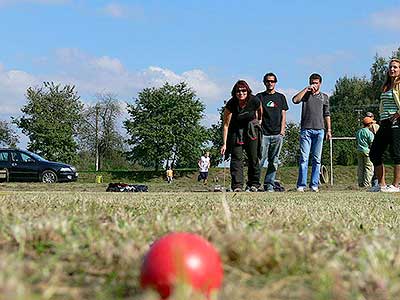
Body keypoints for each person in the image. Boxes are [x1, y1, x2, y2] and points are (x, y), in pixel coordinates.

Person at [221, 80, 262, 192]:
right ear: (234, 93)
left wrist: (258, 123)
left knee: (253, 157)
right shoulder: (231, 104)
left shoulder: (254, 100)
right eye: (238, 91)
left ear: (247, 91)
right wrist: (224, 144)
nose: (241, 93)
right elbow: (225, 125)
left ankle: (254, 184)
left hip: (251, 130)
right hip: (236, 131)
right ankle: (237, 185)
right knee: (236, 159)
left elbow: (260, 110)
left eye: (244, 90)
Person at [292, 73, 331, 192]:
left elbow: (327, 114)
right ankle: (301, 185)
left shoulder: (324, 97)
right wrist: (306, 89)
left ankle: (314, 184)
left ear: (320, 83)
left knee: (317, 159)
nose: (314, 85)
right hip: (306, 130)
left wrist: (329, 130)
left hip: (320, 130)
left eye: (316, 83)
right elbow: (295, 100)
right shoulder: (305, 95)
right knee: (304, 158)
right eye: (312, 82)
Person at [369, 58, 400, 192]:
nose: (392, 69)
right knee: (375, 152)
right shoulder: (386, 85)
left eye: (395, 67)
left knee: (396, 153)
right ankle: (381, 184)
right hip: (384, 122)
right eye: (390, 67)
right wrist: (380, 118)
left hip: (396, 122)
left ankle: (396, 185)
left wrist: (397, 114)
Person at [256, 73, 288, 192]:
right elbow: (257, 114)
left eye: (272, 81)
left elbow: (283, 114)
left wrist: (282, 130)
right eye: (268, 81)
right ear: (264, 82)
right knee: (260, 160)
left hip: (277, 134)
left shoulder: (281, 97)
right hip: (263, 134)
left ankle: (269, 185)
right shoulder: (259, 97)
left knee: (274, 162)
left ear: (275, 82)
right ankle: (255, 184)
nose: (270, 83)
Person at [356, 117, 375, 187]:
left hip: (359, 150)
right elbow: (372, 143)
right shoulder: (369, 133)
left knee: (361, 168)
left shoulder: (359, 131)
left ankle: (360, 183)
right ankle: (366, 184)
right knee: (368, 168)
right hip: (367, 151)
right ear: (369, 124)